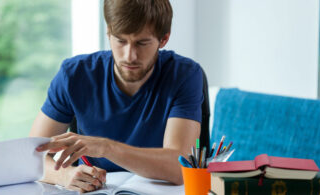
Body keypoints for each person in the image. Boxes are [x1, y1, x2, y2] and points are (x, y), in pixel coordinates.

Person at [31, 0, 203, 193]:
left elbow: (179, 168)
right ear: (108, 33)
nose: (130, 56)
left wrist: (106, 148)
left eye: (142, 43)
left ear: (163, 39)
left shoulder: (185, 75)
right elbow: (29, 156)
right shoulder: (73, 75)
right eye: (120, 40)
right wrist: (64, 175)